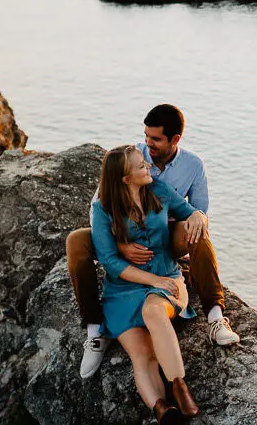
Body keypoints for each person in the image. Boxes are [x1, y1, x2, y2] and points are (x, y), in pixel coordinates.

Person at [65, 104, 239, 380]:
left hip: (167, 237)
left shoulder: (193, 166)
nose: (148, 144)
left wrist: (198, 218)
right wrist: (119, 245)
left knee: (198, 230)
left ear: (175, 140)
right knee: (76, 241)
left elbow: (200, 211)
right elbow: (98, 205)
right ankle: (96, 331)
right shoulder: (131, 156)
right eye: (146, 136)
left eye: (155, 139)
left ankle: (216, 318)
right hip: (124, 235)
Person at [90, 145, 201, 425]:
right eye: (141, 166)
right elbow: (110, 261)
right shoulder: (102, 208)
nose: (149, 168)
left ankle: (179, 385)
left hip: (167, 278)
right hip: (122, 290)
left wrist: (198, 219)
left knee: (153, 311)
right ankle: (162, 409)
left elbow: (191, 213)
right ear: (126, 179)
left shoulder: (160, 190)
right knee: (141, 355)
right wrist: (151, 278)